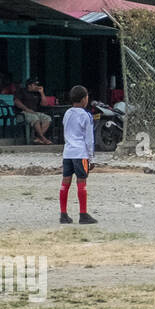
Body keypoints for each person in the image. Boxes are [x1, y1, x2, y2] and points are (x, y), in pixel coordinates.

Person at [58, 85, 97, 225]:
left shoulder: (67, 113)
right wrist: (91, 158)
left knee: (65, 182)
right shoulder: (86, 115)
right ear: (83, 99)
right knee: (81, 181)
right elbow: (89, 139)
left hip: (67, 152)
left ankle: (63, 214)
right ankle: (83, 214)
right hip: (81, 153)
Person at [14, 78, 54, 145]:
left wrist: (42, 93)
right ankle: (43, 138)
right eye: (34, 85)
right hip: (22, 113)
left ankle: (38, 138)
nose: (36, 86)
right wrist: (27, 109)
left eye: (36, 85)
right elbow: (16, 102)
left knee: (47, 118)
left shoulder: (36, 93)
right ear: (29, 85)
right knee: (35, 118)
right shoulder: (21, 91)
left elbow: (44, 104)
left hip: (34, 112)